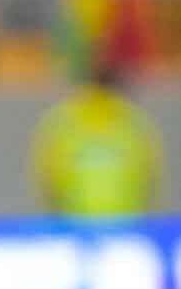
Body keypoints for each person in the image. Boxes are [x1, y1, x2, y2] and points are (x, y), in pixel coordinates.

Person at [30, 61, 164, 220]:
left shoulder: (61, 122)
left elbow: (47, 180)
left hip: (75, 223)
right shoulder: (135, 123)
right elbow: (150, 178)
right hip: (126, 222)